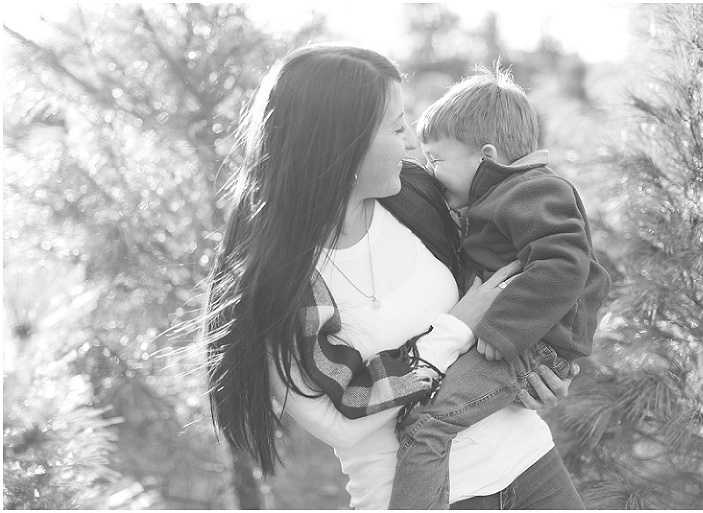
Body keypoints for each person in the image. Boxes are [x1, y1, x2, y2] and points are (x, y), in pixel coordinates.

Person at [204, 44, 577, 510]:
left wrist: (538, 371)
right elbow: (338, 423)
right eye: (397, 128)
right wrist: (453, 330)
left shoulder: (418, 197)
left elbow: (515, 280)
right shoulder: (275, 286)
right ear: (343, 147)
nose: (408, 145)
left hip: (531, 467)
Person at [385, 69, 612, 509]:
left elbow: (565, 263)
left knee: (427, 428)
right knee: (424, 426)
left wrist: (502, 330)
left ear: (486, 156)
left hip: (527, 347)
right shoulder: (497, 197)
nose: (430, 172)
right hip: (520, 347)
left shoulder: (534, 189)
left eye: (438, 160)